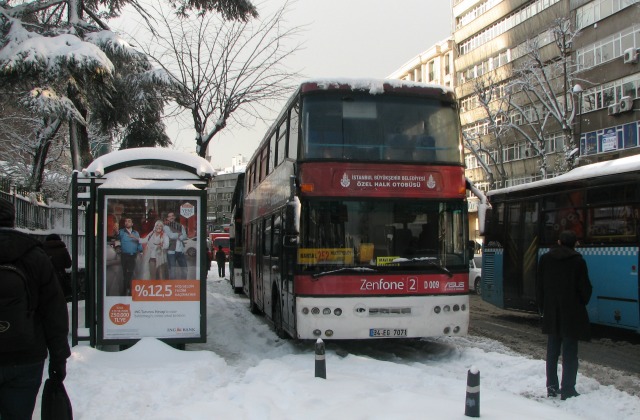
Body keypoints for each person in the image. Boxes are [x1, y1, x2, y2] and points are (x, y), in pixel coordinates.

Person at [0, 198, 70, 419]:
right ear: (13, 220)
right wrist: (59, 357)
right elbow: (54, 311)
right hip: (27, 354)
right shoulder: (34, 256)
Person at [536, 230, 592, 400]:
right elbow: (585, 289)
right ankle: (568, 389)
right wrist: (581, 302)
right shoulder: (578, 261)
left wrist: (542, 308)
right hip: (571, 313)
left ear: (559, 242)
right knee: (569, 352)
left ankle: (551, 387)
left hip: (552, 312)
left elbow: (539, 286)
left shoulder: (546, 259)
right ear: (574, 243)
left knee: (552, 351)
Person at [117, 217, 142, 295]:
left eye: (129, 221)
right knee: (124, 273)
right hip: (124, 255)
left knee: (130, 272)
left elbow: (139, 243)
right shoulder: (121, 232)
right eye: (126, 221)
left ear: (132, 224)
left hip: (132, 256)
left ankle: (129, 289)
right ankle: (125, 290)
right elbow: (117, 237)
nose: (127, 222)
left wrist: (141, 251)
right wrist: (115, 230)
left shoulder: (136, 233)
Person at [43, 233, 73, 299]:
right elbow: (68, 265)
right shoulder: (63, 250)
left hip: (46, 278)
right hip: (60, 276)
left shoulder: (42, 250)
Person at [164, 212, 188, 279]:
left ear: (174, 217)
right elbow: (171, 236)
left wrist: (178, 236)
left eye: (172, 215)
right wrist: (179, 234)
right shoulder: (166, 227)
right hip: (171, 251)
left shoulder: (181, 226)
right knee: (172, 270)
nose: (171, 217)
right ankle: (172, 286)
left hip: (181, 251)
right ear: (167, 218)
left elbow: (185, 236)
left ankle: (183, 285)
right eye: (169, 216)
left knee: (184, 269)